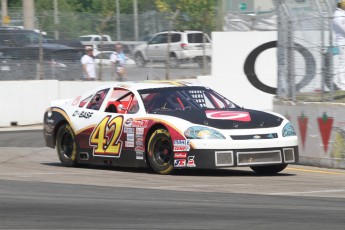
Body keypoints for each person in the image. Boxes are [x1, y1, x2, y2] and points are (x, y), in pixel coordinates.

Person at [333, 0, 345, 90]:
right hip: (342, 44)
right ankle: (342, 85)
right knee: (343, 65)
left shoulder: (342, 14)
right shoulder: (338, 15)